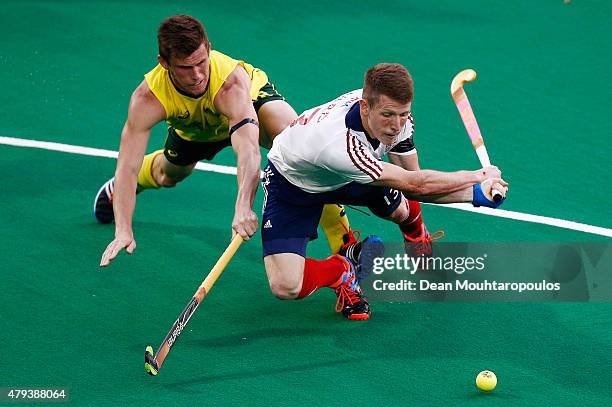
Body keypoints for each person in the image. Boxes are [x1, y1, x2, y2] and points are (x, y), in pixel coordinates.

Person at [95, 15, 352, 266]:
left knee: (302, 151)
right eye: (185, 68)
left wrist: (243, 207)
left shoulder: (230, 82)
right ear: (164, 63)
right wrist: (123, 230)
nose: (197, 75)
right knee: (168, 176)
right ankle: (116, 190)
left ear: (208, 48)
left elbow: (249, 151)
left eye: (202, 62)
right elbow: (127, 166)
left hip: (250, 105)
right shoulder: (147, 98)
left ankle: (346, 249)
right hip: (194, 129)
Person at [260, 63, 508, 320]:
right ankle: (342, 269)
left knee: (401, 207)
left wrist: (478, 194)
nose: (396, 125)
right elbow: (417, 185)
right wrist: (478, 177)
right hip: (292, 183)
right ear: (365, 107)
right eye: (388, 115)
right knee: (285, 285)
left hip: (350, 173)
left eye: (403, 114)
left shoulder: (397, 118)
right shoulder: (341, 145)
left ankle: (415, 234)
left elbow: (415, 182)